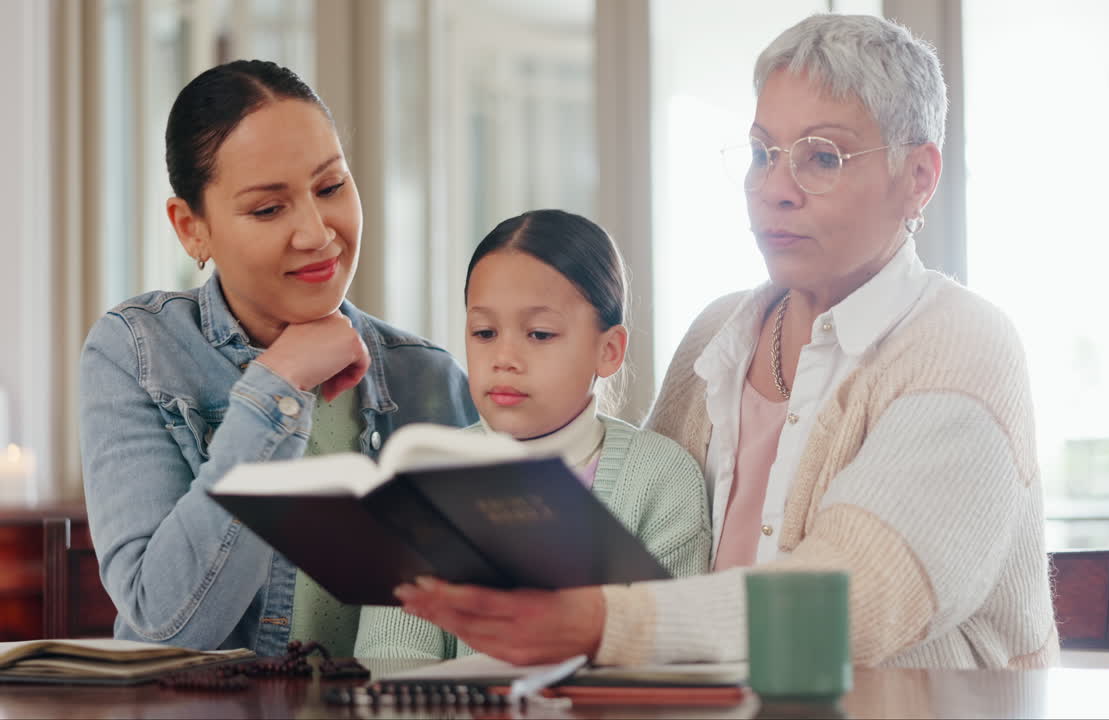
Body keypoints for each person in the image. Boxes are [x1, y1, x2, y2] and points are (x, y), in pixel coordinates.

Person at [395, 14, 1058, 669]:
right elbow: (639, 530)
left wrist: (600, 622)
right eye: (763, 153)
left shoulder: (964, 344)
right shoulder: (718, 333)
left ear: (917, 176)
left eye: (822, 157)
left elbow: (858, 598)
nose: (773, 189)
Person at [79, 60, 476, 655]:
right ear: (191, 229)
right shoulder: (138, 353)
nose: (317, 234)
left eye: (331, 187)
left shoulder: (430, 379)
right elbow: (167, 630)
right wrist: (279, 384)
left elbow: (480, 625)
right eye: (268, 209)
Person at [355, 209, 712, 659]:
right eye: (484, 332)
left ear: (609, 350)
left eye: (539, 334)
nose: (504, 358)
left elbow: (673, 654)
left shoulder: (661, 477)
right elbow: (390, 656)